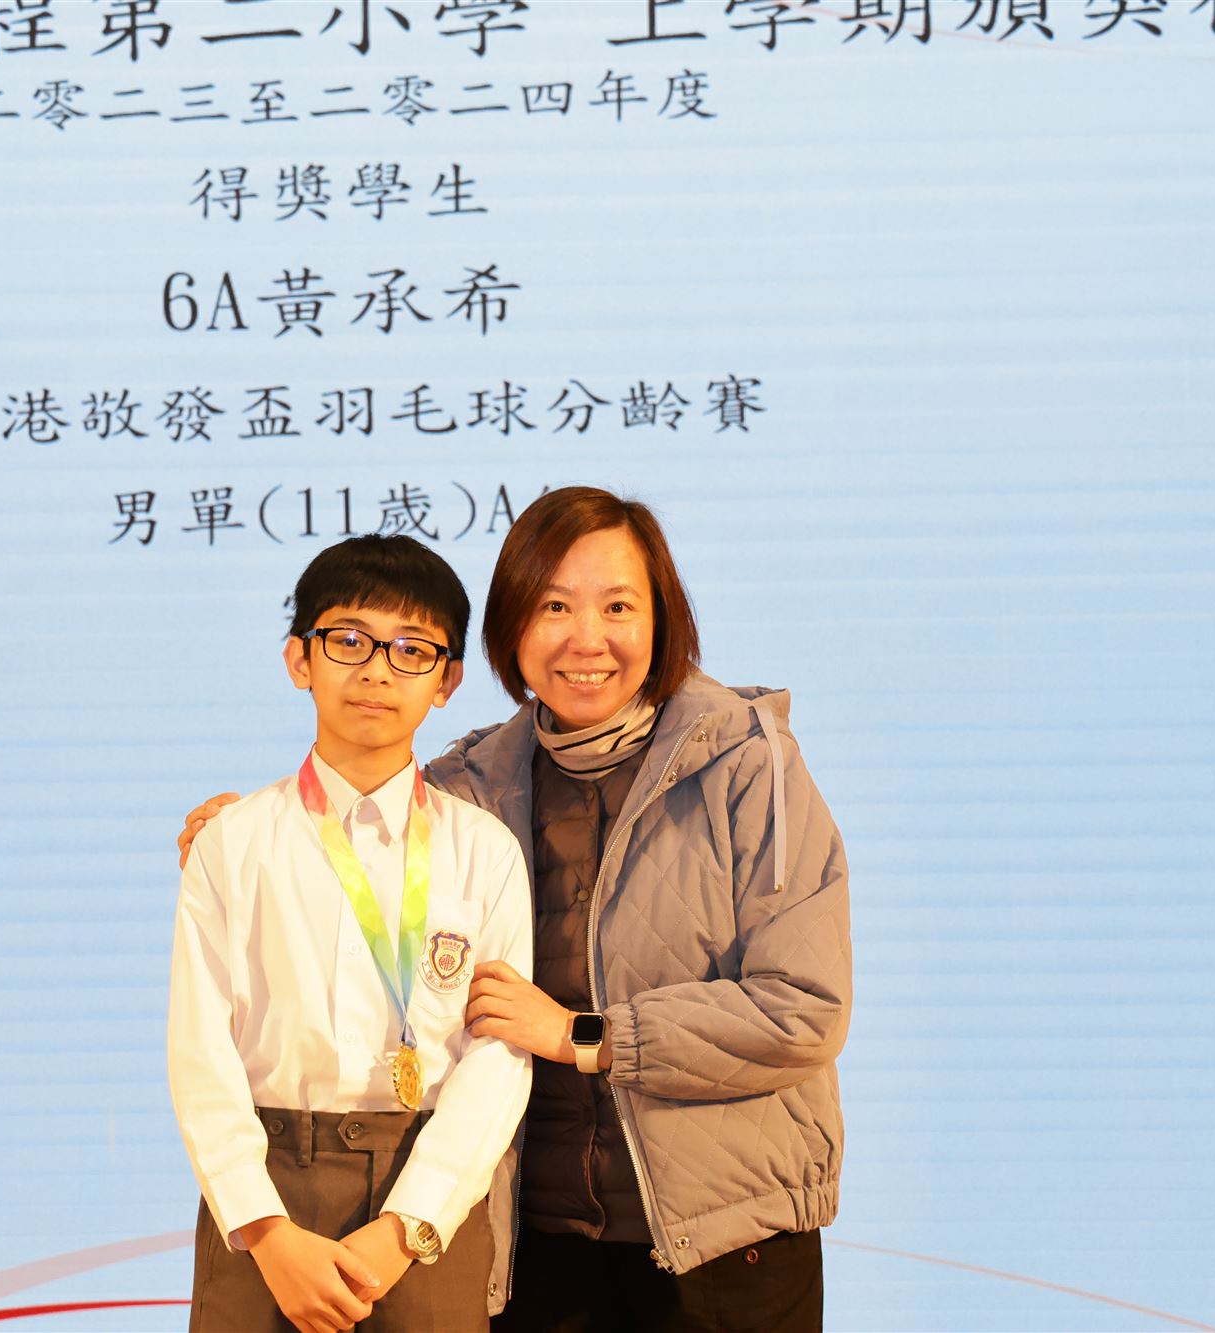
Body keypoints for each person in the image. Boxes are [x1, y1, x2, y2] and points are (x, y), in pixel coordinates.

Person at [181, 488, 850, 1333]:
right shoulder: (471, 786)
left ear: (662, 620)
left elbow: (803, 1009)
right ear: (510, 628)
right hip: (535, 1246)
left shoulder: (750, 764)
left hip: (724, 1239)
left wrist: (582, 1034)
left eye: (618, 606)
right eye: (554, 606)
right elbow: (358, 820)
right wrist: (241, 828)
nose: (586, 638)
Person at [168, 533, 534, 1333]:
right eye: (349, 640)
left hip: (424, 1200)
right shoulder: (233, 842)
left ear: (447, 680)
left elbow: (499, 1058)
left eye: (412, 649)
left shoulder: (485, 851)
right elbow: (199, 1051)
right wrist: (265, 1231)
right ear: (299, 660)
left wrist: (407, 1226)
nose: (376, 670)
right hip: (264, 1199)